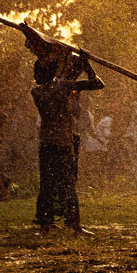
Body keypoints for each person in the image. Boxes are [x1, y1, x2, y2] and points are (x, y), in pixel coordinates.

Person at [32, 54, 103, 235]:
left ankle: (47, 226)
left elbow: (96, 85)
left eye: (37, 72)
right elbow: (97, 83)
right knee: (65, 184)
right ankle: (72, 225)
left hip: (50, 143)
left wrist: (80, 66)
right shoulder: (59, 88)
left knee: (49, 184)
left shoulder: (40, 91)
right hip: (61, 142)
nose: (35, 76)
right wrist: (86, 65)